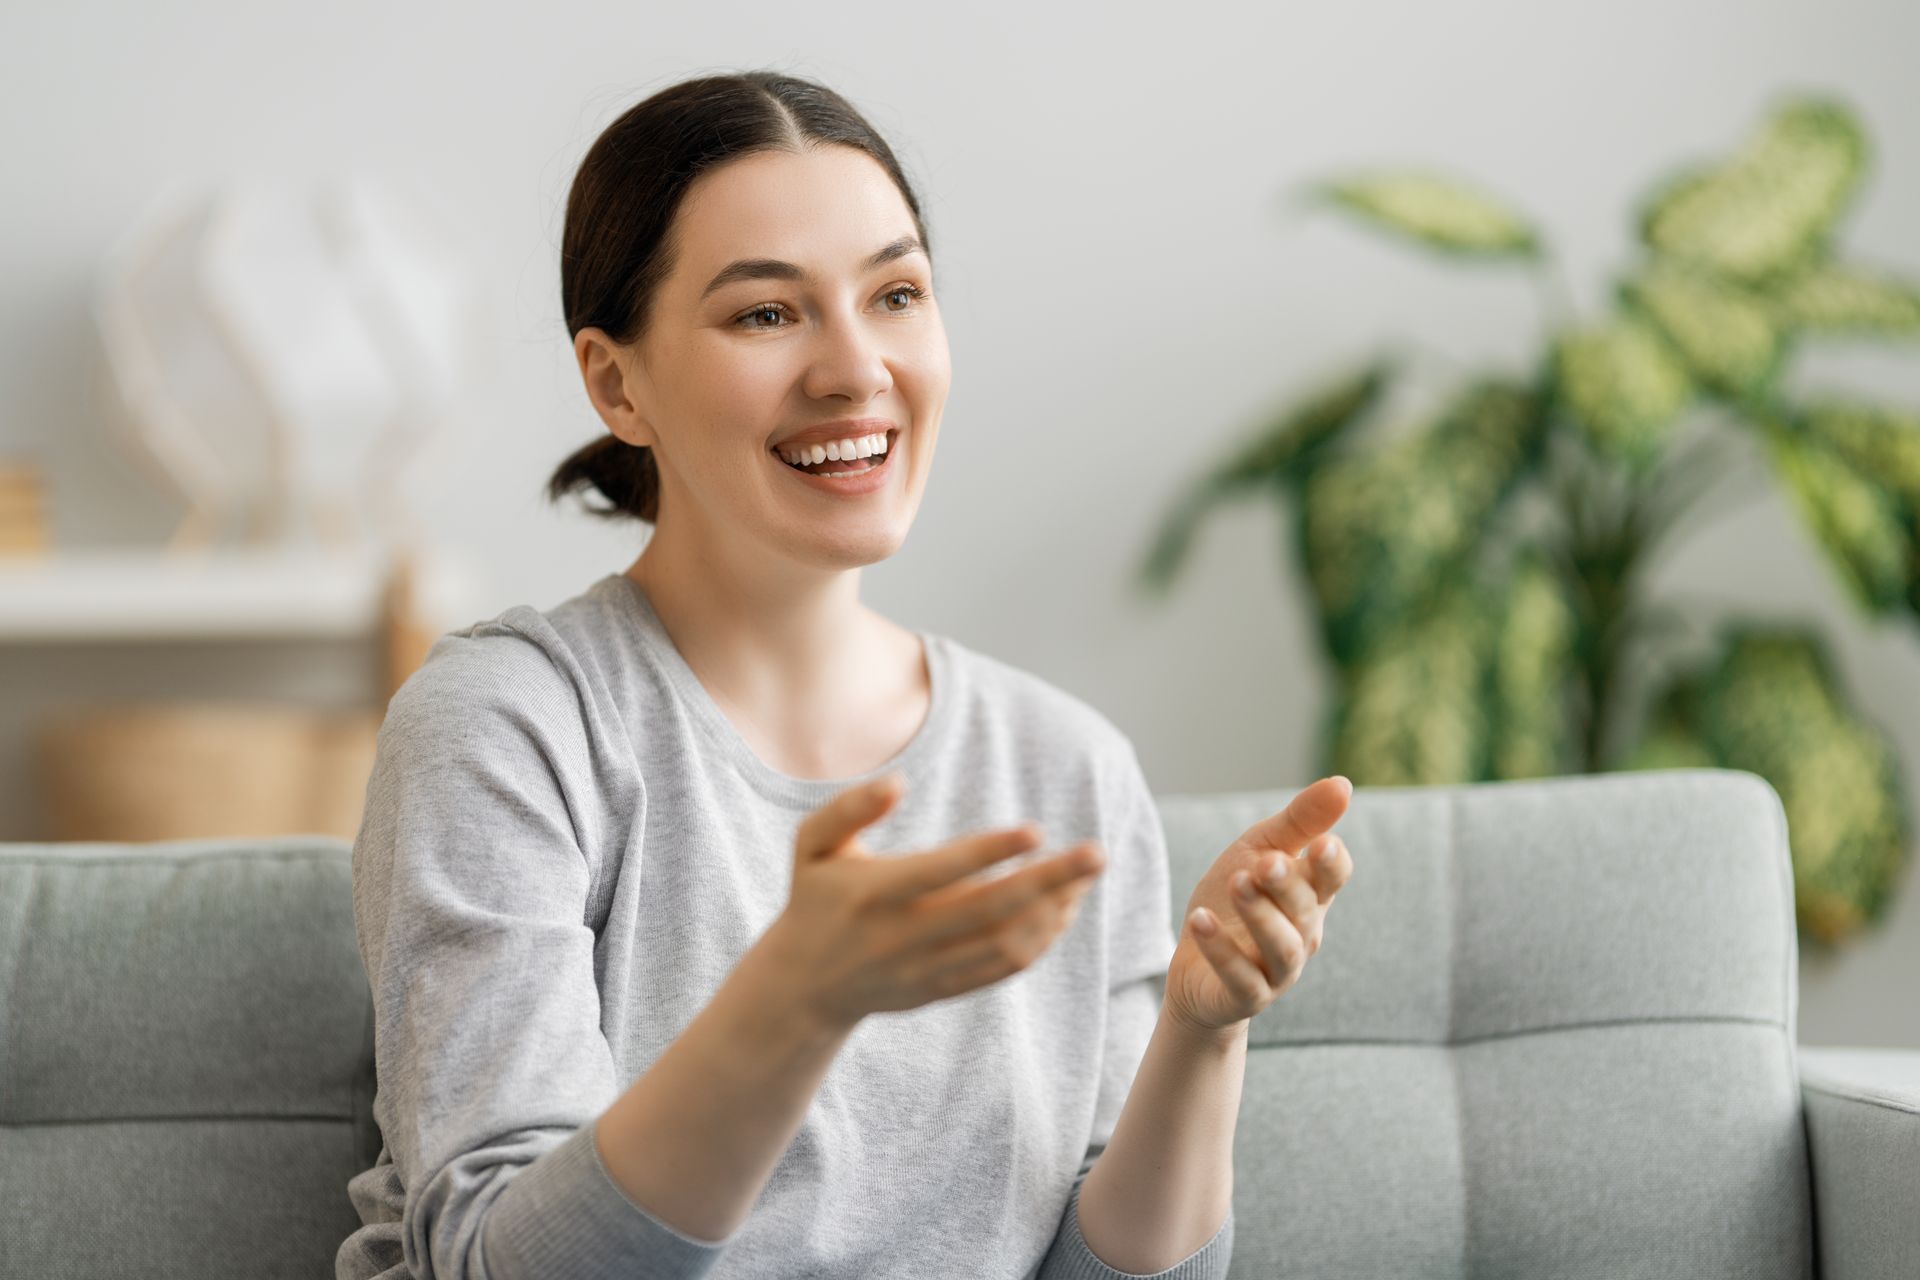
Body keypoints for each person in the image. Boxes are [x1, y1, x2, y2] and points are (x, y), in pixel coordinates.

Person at [336, 69, 1355, 1280]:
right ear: (617, 383)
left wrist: (1202, 1028)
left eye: (897, 293)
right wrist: (795, 1000)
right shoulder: (512, 728)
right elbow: (499, 1263)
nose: (855, 367)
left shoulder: (1064, 763)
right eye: (767, 314)